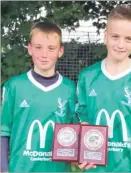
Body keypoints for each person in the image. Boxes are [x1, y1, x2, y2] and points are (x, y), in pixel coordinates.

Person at [76, 4, 131, 172]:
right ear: (105, 36)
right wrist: (83, 152)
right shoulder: (87, 77)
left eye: (128, 39)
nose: (121, 44)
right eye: (115, 36)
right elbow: (83, 119)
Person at [1, 21, 77, 172]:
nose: (44, 55)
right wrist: (2, 168)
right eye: (38, 47)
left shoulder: (70, 89)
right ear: (29, 49)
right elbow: (3, 131)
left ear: (60, 51)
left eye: (51, 49)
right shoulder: (14, 86)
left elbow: (75, 130)